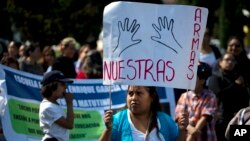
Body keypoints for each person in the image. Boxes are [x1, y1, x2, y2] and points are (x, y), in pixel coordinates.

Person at [99, 85, 188, 141]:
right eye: (130, 93)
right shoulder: (117, 121)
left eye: (139, 93)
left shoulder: (165, 120)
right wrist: (108, 130)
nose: (133, 98)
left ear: (151, 97)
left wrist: (181, 130)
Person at [208, 52, 249, 141]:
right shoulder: (215, 78)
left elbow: (244, 97)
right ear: (220, 62)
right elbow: (219, 94)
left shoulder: (238, 77)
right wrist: (235, 85)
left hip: (237, 119)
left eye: (232, 60)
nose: (230, 62)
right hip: (222, 120)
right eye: (227, 60)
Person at [175, 62, 218, 141]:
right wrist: (189, 128)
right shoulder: (183, 96)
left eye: (193, 77)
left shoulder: (210, 96)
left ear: (202, 80)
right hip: (186, 136)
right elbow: (179, 117)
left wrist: (192, 134)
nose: (189, 79)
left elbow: (205, 118)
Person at [39, 70, 74, 141]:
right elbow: (69, 125)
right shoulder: (47, 107)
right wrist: (69, 103)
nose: (66, 87)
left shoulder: (54, 104)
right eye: (62, 84)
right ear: (52, 86)